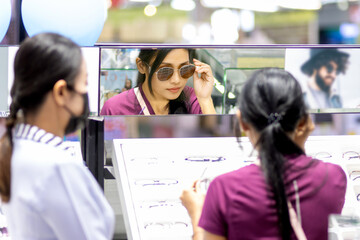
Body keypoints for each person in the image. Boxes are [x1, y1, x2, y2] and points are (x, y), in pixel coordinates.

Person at [181, 68, 346, 240]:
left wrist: (197, 213)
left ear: (243, 123)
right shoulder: (334, 177)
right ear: (303, 121)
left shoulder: (224, 189)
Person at [0, 33, 115, 239]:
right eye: (85, 83)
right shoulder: (57, 167)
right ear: (61, 92)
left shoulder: (15, 148)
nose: (86, 94)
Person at [100, 48, 216, 115]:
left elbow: (217, 145)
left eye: (185, 70)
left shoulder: (193, 99)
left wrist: (205, 99)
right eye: (165, 71)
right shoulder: (115, 108)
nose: (176, 80)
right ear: (142, 66)